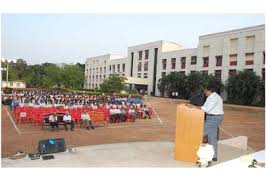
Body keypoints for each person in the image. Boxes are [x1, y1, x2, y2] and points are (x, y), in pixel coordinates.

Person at [189, 85, 224, 162]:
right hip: (213, 117)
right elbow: (204, 107)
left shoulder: (214, 98)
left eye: (205, 91)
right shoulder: (211, 97)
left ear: (209, 91)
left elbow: (206, 109)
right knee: (212, 137)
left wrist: (194, 107)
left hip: (213, 118)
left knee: (200, 133)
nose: (204, 92)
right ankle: (214, 156)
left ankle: (191, 153)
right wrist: (196, 107)